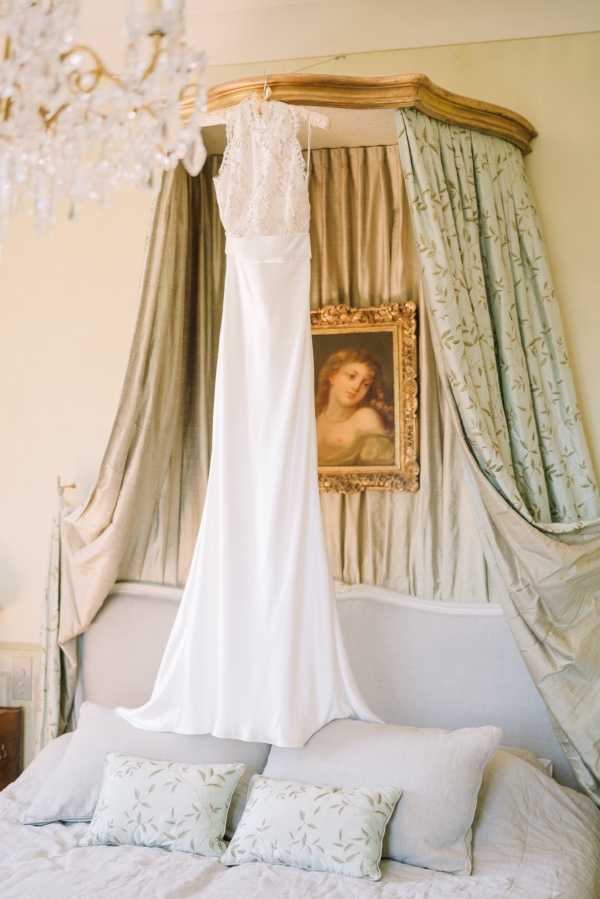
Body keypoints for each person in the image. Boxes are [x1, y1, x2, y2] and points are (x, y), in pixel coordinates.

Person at [315, 347, 395, 466]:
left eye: (366, 384)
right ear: (333, 377)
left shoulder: (366, 418)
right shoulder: (314, 417)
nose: (356, 387)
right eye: (351, 376)